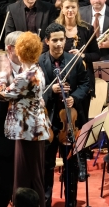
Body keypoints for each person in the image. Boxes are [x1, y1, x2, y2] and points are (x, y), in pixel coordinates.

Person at [0, 31, 51, 207]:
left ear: (19, 52)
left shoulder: (26, 76)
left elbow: (2, 95)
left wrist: (1, 75)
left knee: (25, 178)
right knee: (34, 176)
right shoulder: (37, 70)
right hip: (34, 129)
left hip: (27, 131)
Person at [39, 22, 90, 206]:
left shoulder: (74, 60)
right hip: (49, 122)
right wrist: (50, 90)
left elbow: (85, 84)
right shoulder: (39, 62)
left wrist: (74, 98)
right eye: (55, 40)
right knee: (47, 165)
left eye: (62, 40)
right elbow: (34, 91)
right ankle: (45, 201)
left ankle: (71, 202)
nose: (59, 44)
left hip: (70, 121)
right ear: (47, 41)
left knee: (71, 165)